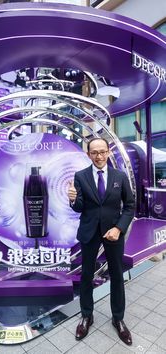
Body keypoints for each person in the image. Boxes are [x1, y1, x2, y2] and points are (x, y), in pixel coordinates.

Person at [68, 137, 135, 345]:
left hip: (113, 233)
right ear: (88, 154)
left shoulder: (120, 176)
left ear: (108, 152)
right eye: (94, 152)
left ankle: (118, 319)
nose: (99, 156)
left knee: (116, 275)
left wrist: (119, 228)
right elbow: (79, 207)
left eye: (102, 151)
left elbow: (130, 206)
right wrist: (72, 199)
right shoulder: (80, 176)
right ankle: (87, 315)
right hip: (89, 233)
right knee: (86, 275)